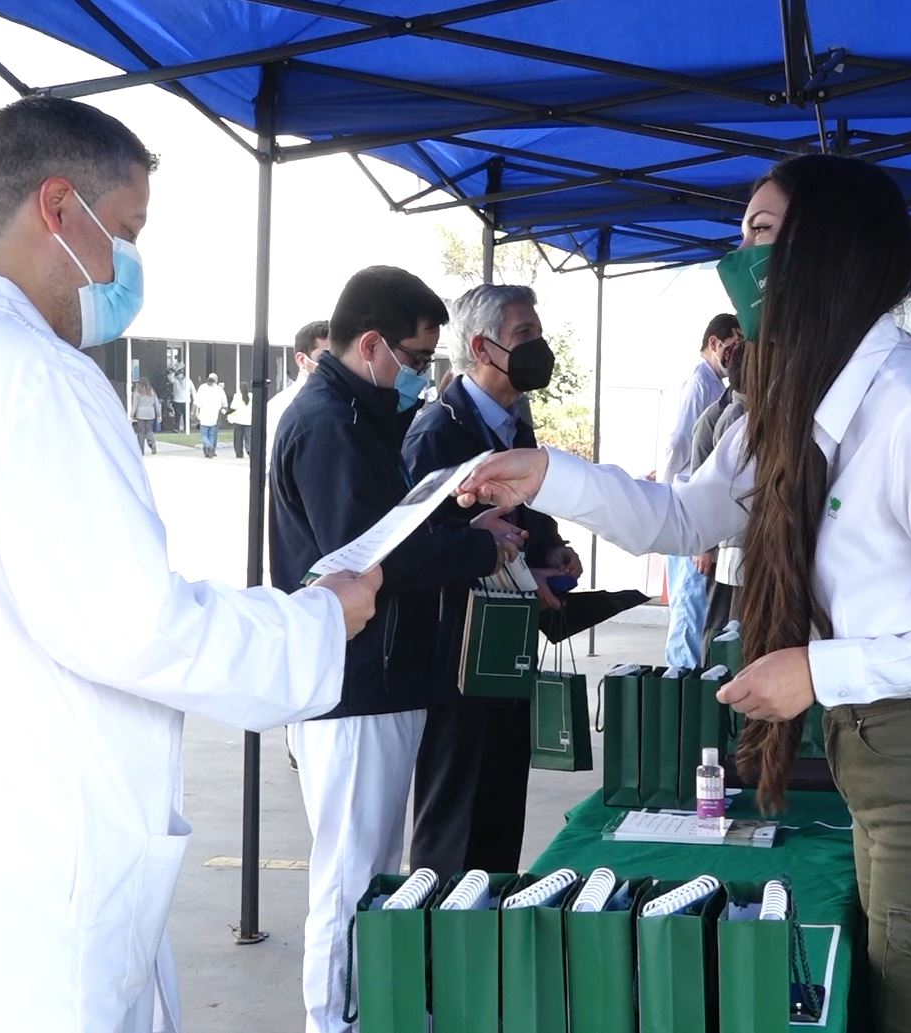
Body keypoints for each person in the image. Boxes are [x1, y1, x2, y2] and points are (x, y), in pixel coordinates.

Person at [457, 154, 911, 1033]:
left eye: (761, 235)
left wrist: (820, 669)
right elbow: (677, 515)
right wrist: (547, 474)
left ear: (829, 254)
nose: (737, 258)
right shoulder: (788, 408)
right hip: (891, 766)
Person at [0, 96, 380, 1033]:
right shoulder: (35, 374)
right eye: (124, 231)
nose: (126, 263)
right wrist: (318, 618)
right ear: (59, 208)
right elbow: (134, 622)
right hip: (33, 885)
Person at [268, 265, 523, 1033]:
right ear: (371, 343)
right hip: (353, 685)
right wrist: (473, 549)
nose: (421, 377)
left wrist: (459, 532)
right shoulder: (327, 424)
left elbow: (393, 533)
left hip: (384, 677)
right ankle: (332, 1019)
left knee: (371, 873)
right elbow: (366, 556)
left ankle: (362, 1009)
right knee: (348, 877)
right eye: (415, 359)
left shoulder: (358, 416)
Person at [404, 284, 580, 878]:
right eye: (524, 336)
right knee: (456, 818)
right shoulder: (438, 434)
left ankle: (488, 931)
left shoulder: (515, 426)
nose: (540, 348)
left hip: (507, 652)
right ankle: (436, 949)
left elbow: (525, 514)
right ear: (482, 347)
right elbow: (418, 548)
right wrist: (496, 554)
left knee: (501, 811)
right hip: (456, 657)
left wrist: (550, 549)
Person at [657, 313, 739, 667]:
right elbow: (680, 444)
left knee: (697, 607)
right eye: (732, 347)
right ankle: (684, 686)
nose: (735, 356)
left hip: (696, 509)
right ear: (715, 343)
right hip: (689, 511)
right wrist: (670, 490)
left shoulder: (716, 387)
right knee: (689, 609)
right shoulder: (701, 385)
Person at [691, 335, 746, 638]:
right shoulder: (727, 417)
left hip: (736, 543)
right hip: (728, 543)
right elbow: (705, 486)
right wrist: (704, 546)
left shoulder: (740, 413)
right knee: (724, 625)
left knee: (733, 624)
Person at [267, 319, 329, 457]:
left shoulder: (348, 399)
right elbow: (271, 468)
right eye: (325, 357)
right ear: (302, 360)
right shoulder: (281, 407)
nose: (333, 365)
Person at [196, 371, 226, 457]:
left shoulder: (202, 388)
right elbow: (224, 403)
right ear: (215, 380)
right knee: (212, 435)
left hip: (204, 416)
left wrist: (193, 412)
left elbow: (197, 402)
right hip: (214, 416)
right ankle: (211, 448)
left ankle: (208, 447)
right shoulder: (219, 389)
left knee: (204, 435)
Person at [130, 378, 159, 454]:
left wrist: (132, 414)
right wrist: (159, 414)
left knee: (141, 432)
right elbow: (157, 404)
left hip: (141, 414)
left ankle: (141, 450)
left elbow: (134, 405)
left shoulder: (137, 392)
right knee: (149, 430)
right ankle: (152, 443)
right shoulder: (152, 392)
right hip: (150, 413)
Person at [230, 381, 253, 458]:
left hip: (238, 420)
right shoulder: (251, 396)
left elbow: (233, 408)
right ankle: (249, 450)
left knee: (238, 438)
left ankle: (239, 453)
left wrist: (229, 417)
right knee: (248, 437)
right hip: (248, 421)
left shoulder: (237, 396)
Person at [167, 361, 191, 432]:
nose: (179, 376)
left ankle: (187, 428)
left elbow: (193, 390)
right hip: (177, 401)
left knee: (186, 416)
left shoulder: (188, 381)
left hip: (186, 401)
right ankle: (176, 428)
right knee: (177, 416)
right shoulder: (175, 381)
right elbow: (170, 378)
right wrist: (174, 371)